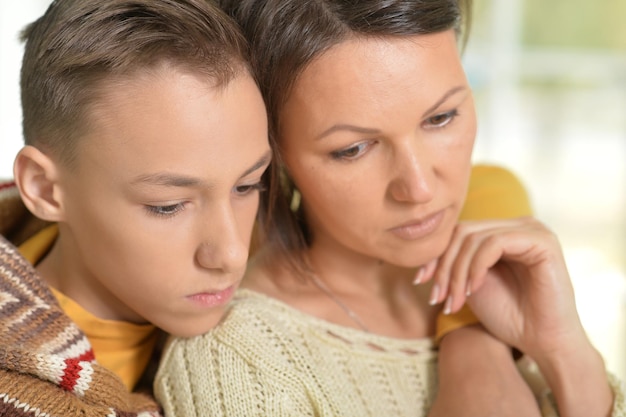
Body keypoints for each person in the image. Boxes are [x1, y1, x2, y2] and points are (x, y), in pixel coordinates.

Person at [154, 0, 626, 416]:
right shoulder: (237, 361)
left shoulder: (501, 287)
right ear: (275, 155)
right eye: (353, 149)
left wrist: (565, 350)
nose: (419, 187)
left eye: (441, 118)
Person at [0, 0, 270, 415]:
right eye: (169, 207)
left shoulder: (280, 246)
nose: (233, 254)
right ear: (44, 189)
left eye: (248, 185)